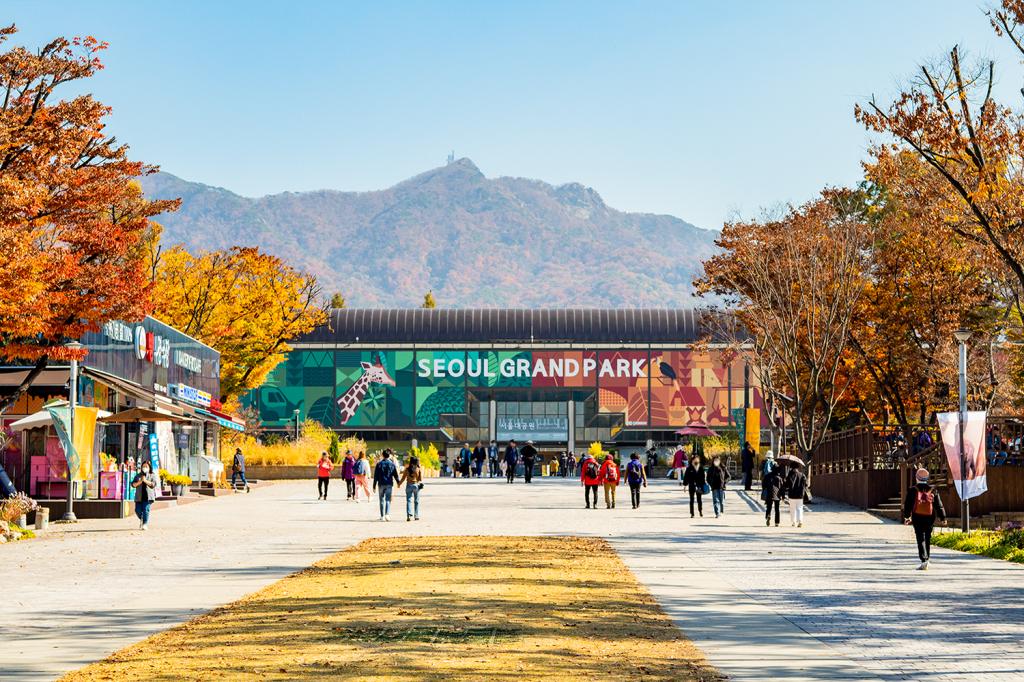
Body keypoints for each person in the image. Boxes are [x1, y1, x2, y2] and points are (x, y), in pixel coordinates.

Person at [902, 468, 947, 570]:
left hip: (917, 517)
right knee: (927, 537)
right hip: (930, 517)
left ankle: (924, 560)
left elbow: (908, 505)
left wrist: (907, 517)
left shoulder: (913, 490)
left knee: (920, 538)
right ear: (927, 478)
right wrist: (943, 517)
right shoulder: (933, 489)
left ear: (917, 478)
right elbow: (939, 505)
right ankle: (927, 559)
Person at [372, 449, 401, 521]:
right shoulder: (392, 464)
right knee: (388, 500)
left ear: (382, 455)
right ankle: (387, 515)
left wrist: (374, 486)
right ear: (389, 455)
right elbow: (395, 475)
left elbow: (376, 476)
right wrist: (398, 483)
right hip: (389, 484)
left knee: (381, 500)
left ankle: (382, 516)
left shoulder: (379, 464)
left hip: (381, 484)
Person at [131, 461, 157, 530]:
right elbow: (133, 484)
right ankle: (142, 518)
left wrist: (145, 481)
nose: (144, 468)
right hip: (139, 497)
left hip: (148, 497)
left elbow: (153, 484)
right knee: (137, 510)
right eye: (143, 466)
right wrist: (140, 481)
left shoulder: (152, 475)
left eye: (146, 466)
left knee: (146, 510)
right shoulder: (138, 475)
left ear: (149, 467)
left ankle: (145, 524)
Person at [783, 461, 808, 527]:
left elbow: (786, 485)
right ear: (797, 467)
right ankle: (800, 521)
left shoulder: (789, 475)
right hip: (800, 495)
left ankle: (793, 522)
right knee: (799, 508)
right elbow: (806, 484)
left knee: (792, 509)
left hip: (792, 495)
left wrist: (785, 480)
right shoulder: (802, 475)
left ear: (791, 467)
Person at [399, 455, 423, 521]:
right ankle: (416, 515)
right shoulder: (418, 469)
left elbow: (403, 478)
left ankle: (409, 515)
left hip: (408, 485)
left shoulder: (407, 469)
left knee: (409, 500)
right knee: (416, 501)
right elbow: (420, 479)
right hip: (416, 486)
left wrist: (399, 484)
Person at [762, 459, 784, 527]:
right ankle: (777, 522)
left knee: (769, 507)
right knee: (777, 509)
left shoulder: (767, 476)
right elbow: (782, 488)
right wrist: (783, 496)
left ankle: (768, 516)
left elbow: (763, 485)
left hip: (769, 494)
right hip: (777, 495)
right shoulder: (779, 478)